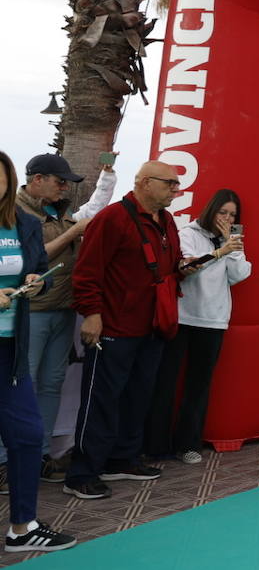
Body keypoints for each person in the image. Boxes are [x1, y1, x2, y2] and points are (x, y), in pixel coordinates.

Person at [65, 161, 185, 500]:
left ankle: (122, 459)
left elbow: (169, 264)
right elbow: (87, 272)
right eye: (170, 183)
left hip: (152, 326)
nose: (176, 189)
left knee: (137, 397)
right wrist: (92, 314)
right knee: (101, 400)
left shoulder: (168, 221)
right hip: (115, 325)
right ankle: (82, 472)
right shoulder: (113, 218)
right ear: (146, 183)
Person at [15, 153, 117, 481]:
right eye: (60, 182)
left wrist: (107, 177)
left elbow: (92, 209)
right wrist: (74, 234)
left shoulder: (59, 211)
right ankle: (8, 461)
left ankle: (39, 454)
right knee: (22, 385)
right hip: (30, 313)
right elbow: (30, 259)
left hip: (62, 310)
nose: (65, 189)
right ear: (37, 179)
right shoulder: (14, 213)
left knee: (50, 384)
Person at [0, 151, 76, 552]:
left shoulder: (25, 225)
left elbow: (39, 276)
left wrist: (35, 281)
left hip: (10, 350)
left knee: (28, 436)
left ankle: (22, 528)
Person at [146, 190, 251, 464]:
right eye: (223, 212)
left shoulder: (232, 239)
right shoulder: (188, 233)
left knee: (199, 385)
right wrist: (220, 252)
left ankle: (189, 444)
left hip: (214, 320)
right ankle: (155, 445)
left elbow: (239, 276)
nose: (227, 218)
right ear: (211, 210)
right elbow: (189, 268)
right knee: (165, 382)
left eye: (232, 215)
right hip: (183, 317)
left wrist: (231, 247)